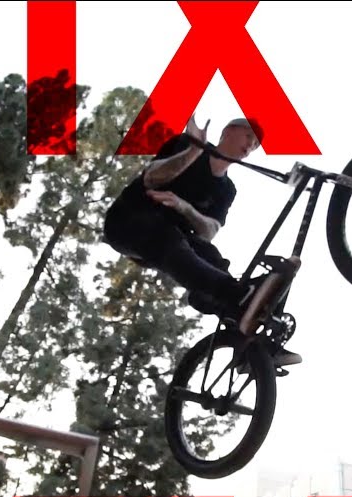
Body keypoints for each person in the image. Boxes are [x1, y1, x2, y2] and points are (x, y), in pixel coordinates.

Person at [103, 115, 301, 367]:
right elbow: (152, 178)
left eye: (255, 145)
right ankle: (236, 294)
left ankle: (249, 344)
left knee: (212, 258)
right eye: (248, 136)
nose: (250, 145)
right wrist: (193, 152)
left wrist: (184, 207)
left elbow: (209, 230)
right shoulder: (187, 144)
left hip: (171, 238)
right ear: (228, 131)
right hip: (129, 220)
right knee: (168, 236)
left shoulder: (227, 190)